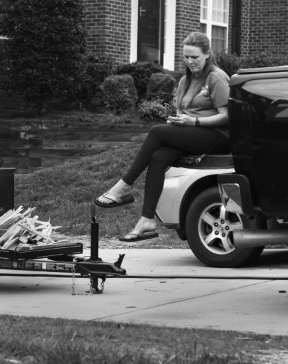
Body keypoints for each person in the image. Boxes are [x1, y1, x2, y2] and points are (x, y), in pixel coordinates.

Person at [93, 32, 231, 242]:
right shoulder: (185, 80)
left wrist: (193, 122)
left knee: (156, 132)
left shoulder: (216, 77)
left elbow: (227, 117)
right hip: (193, 133)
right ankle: (147, 220)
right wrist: (178, 121)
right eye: (186, 57)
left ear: (207, 54)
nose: (190, 61)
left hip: (219, 136)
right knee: (158, 157)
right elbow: (184, 111)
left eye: (194, 57)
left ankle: (124, 186)